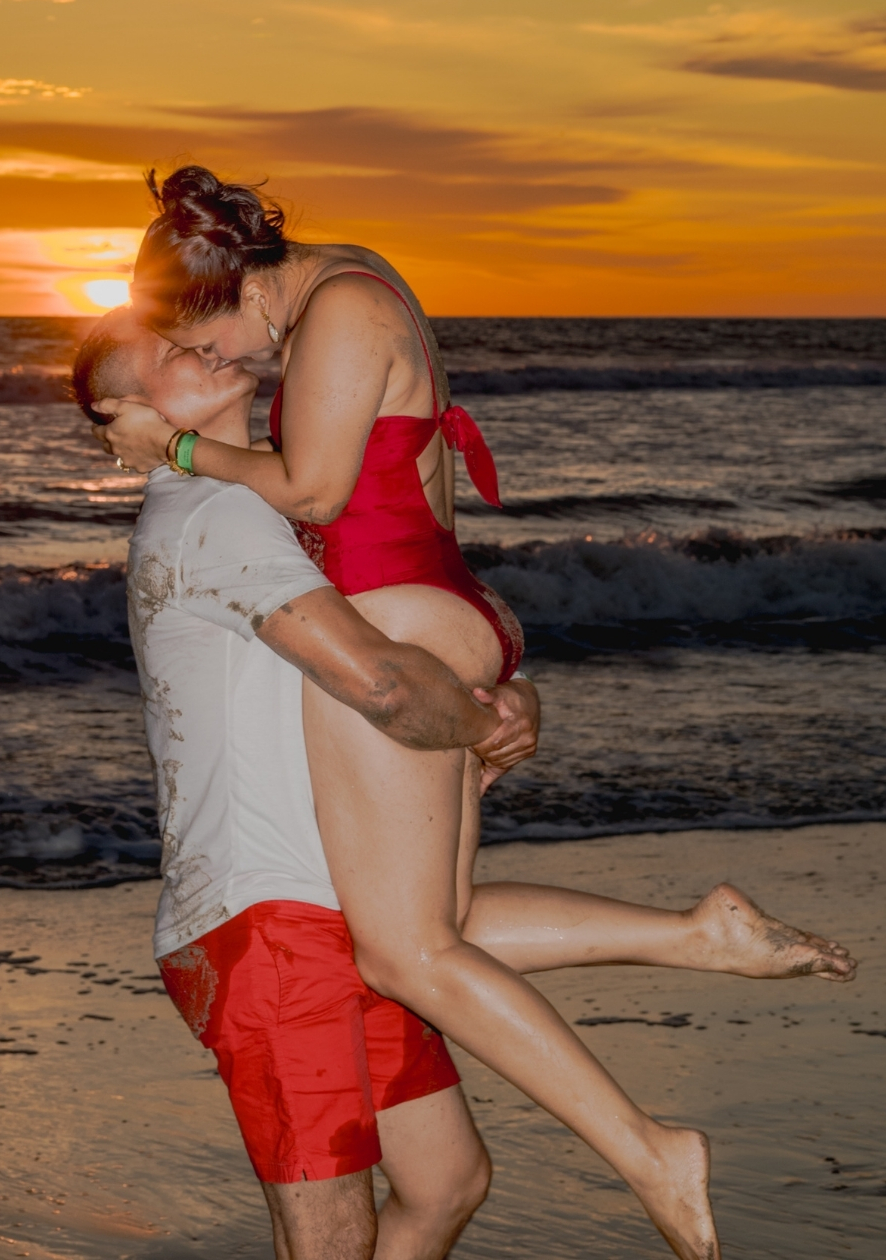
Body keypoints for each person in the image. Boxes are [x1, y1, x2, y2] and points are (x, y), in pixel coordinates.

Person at [95, 171, 856, 1260]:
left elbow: (314, 495)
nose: (222, 361)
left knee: (405, 954)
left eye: (204, 335)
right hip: (431, 603)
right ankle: (699, 935)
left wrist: (169, 449)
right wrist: (481, 663)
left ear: (237, 287)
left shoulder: (337, 312)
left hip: (399, 608)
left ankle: (651, 1149)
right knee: (418, 934)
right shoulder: (354, 286)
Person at [74, 312, 534, 1260]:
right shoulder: (212, 513)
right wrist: (491, 720)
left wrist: (494, 698)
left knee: (445, 1180)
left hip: (341, 909)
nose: (195, 348)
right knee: (330, 1231)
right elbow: (379, 680)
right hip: (269, 920)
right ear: (126, 416)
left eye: (186, 336)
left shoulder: (270, 494)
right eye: (165, 360)